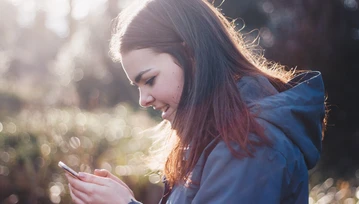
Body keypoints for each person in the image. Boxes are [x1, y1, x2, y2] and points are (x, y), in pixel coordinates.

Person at [65, 0, 327, 203]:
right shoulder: (219, 134)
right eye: (137, 86)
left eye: (150, 80)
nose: (143, 100)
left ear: (190, 53)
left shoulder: (250, 143)